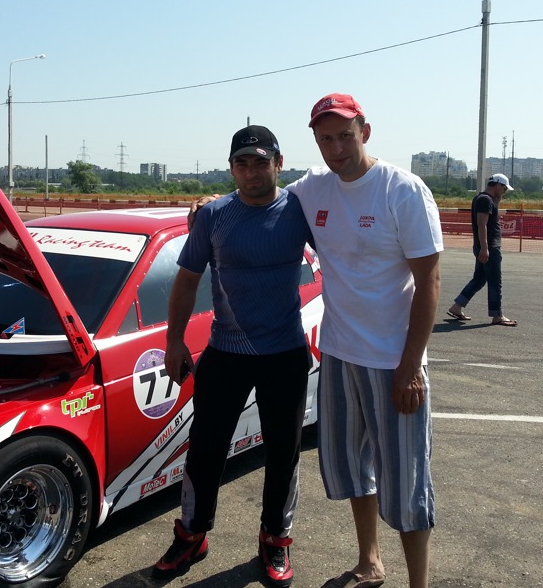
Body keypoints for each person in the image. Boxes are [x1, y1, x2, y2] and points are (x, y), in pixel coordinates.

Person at [190, 93, 443, 588]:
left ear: (364, 132)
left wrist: (411, 366)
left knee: (407, 482)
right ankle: (370, 560)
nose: (336, 148)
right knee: (354, 470)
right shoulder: (314, 188)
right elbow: (258, 192)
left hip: (393, 360)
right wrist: (210, 204)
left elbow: (429, 282)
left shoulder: (403, 189)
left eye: (345, 136)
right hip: (339, 354)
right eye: (326, 139)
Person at [153, 125, 314, 588]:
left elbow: (347, 256)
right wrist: (174, 342)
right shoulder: (214, 215)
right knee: (205, 449)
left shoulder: (300, 210)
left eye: (261, 162)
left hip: (284, 352)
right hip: (226, 350)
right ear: (230, 168)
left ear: (279, 163)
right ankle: (191, 534)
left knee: (283, 452)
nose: (251, 172)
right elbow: (187, 280)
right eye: (241, 163)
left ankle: (275, 539)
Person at [446, 173, 517, 327]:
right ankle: (497, 315)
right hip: (489, 247)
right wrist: (485, 248)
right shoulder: (485, 200)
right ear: (498, 185)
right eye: (504, 188)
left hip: (484, 247)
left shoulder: (483, 198)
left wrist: (497, 200)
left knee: (479, 279)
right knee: (495, 281)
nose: (504, 192)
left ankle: (457, 306)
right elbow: (482, 224)